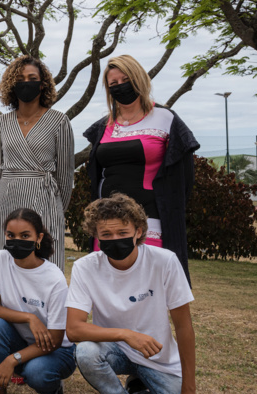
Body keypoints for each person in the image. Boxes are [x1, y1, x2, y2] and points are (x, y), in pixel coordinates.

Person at [65, 193, 210, 394]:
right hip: (115, 350)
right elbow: (74, 329)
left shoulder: (164, 261)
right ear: (96, 235)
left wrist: (189, 391)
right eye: (105, 235)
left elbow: (184, 327)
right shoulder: (85, 267)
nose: (114, 239)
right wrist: (126, 335)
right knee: (86, 352)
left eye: (122, 232)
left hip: (158, 358)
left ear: (139, 231)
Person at [83, 55, 198, 283]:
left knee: (149, 286)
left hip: (150, 219)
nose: (119, 87)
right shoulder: (103, 126)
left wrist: (169, 208)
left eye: (124, 80)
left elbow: (185, 177)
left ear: (138, 79)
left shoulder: (166, 118)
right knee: (106, 286)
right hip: (107, 222)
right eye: (112, 84)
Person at [0, 208, 76, 394]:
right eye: (10, 236)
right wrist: (29, 318)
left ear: (39, 238)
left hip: (57, 349)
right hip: (22, 339)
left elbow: (54, 339)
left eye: (25, 236)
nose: (16, 241)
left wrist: (12, 359)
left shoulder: (54, 278)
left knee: (37, 372)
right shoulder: (0, 259)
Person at [0, 55, 73, 271]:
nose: (26, 82)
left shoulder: (59, 121)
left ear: (43, 83)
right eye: (20, 78)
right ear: (11, 84)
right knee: (6, 259)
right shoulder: (0, 123)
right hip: (8, 198)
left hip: (45, 198)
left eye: (31, 77)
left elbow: (65, 175)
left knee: (45, 259)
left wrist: (55, 209)